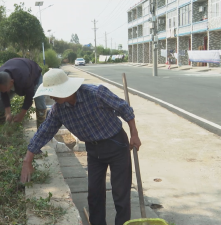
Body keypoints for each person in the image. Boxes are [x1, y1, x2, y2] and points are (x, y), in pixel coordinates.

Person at [20, 69, 142, 225]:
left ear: (65, 89)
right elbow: (44, 131)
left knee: (121, 193)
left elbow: (124, 109)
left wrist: (134, 134)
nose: (51, 97)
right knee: (94, 194)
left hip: (116, 144)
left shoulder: (96, 93)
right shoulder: (58, 110)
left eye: (53, 93)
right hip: (94, 150)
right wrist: (27, 159)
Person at [0, 58, 47, 128]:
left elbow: (29, 97)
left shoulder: (24, 78)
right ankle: (1, 129)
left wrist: (21, 115)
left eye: (4, 89)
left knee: (39, 99)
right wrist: (8, 113)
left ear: (11, 82)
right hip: (15, 76)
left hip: (34, 76)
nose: (3, 92)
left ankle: (42, 130)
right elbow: (3, 93)